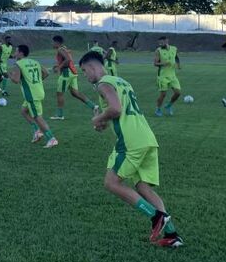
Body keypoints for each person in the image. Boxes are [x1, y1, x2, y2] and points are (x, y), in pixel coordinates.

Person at [79, 51, 184, 248]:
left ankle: (156, 217)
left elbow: (116, 109)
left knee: (111, 182)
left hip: (131, 141)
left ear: (92, 67)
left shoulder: (103, 84)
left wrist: (96, 119)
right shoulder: (121, 81)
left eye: (84, 71)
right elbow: (118, 113)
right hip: (146, 137)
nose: (85, 76)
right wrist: (101, 120)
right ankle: (172, 234)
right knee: (143, 187)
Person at [8, 44, 57, 148]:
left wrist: (9, 75)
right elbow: (46, 73)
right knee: (24, 111)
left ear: (21, 53)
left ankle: (51, 138)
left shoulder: (18, 64)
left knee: (37, 117)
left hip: (31, 95)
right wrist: (37, 82)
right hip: (38, 91)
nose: (14, 53)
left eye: (16, 51)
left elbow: (16, 80)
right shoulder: (34, 62)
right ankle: (37, 131)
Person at [50, 35, 96, 120]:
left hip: (66, 73)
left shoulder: (60, 49)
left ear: (57, 42)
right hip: (72, 72)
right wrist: (58, 65)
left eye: (53, 42)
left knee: (59, 93)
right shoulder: (64, 48)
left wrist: (59, 67)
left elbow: (68, 60)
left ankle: (60, 115)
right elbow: (66, 59)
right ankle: (93, 107)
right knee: (75, 93)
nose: (52, 44)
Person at [153, 36, 181, 116]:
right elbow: (155, 63)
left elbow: (176, 57)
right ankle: (158, 109)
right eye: (159, 43)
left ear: (167, 41)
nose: (160, 44)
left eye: (162, 42)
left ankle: (169, 105)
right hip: (162, 76)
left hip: (172, 75)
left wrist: (178, 65)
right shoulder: (158, 51)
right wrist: (163, 63)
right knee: (163, 94)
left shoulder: (174, 49)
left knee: (178, 93)